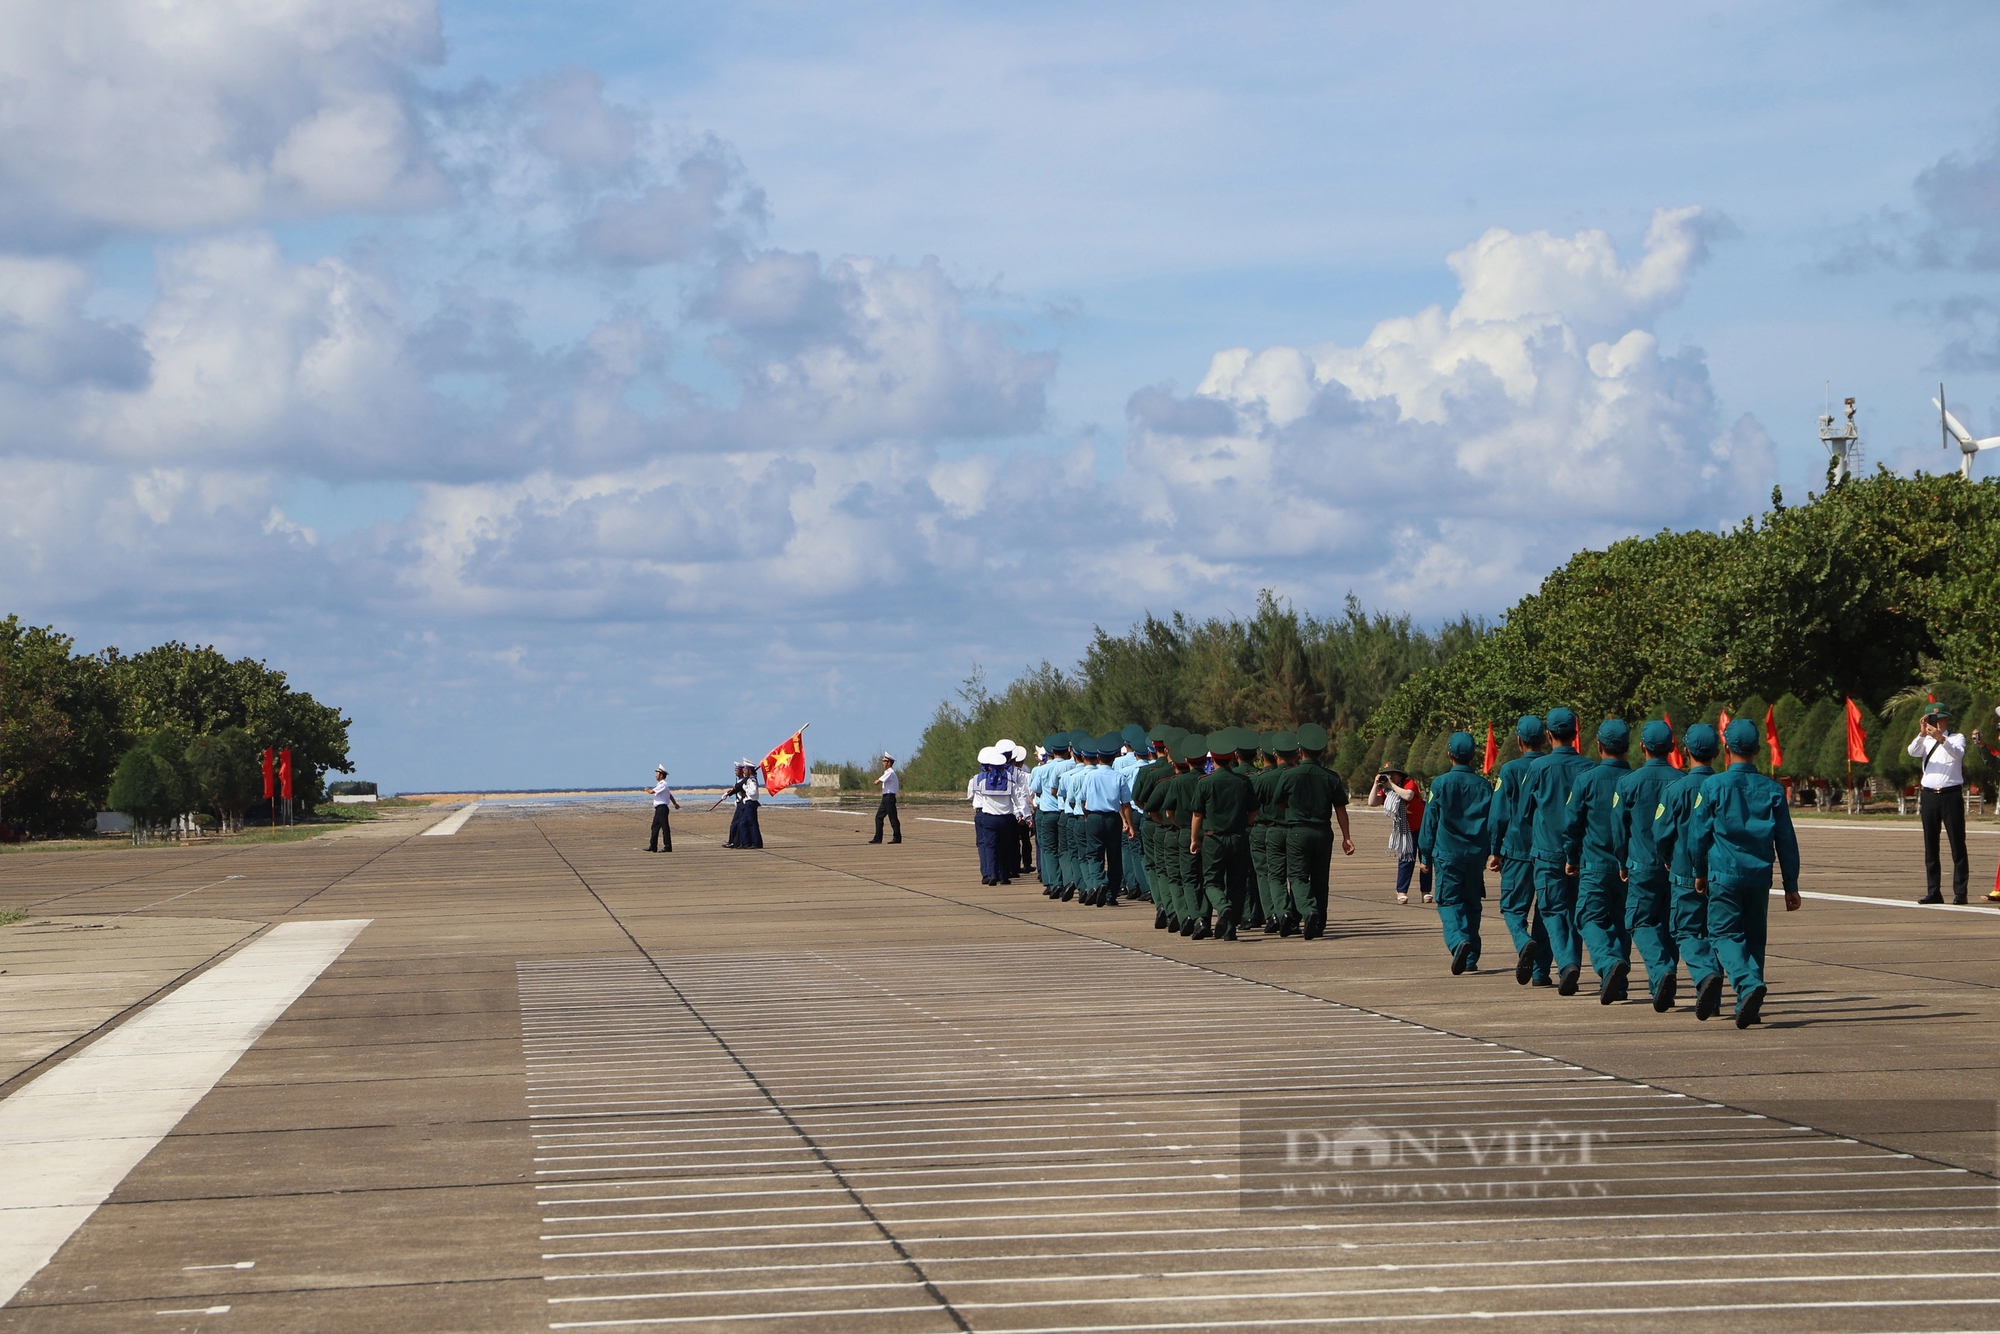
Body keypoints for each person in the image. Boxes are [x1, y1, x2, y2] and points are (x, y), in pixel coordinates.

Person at [1689, 717, 1803, 1028]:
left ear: (1726, 747)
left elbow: (1699, 834)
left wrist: (1699, 870)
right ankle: (1747, 1003)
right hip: (1758, 876)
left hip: (1724, 874)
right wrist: (1791, 884)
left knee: (1724, 934)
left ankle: (1747, 984)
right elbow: (1786, 840)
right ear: (1757, 750)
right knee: (1754, 939)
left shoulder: (1713, 785)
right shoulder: (1772, 789)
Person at [1512, 707, 1595, 995]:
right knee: (1574, 911)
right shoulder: (1589, 767)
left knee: (1552, 910)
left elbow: (1523, 812)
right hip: (1582, 854)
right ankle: (1549, 968)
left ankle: (1567, 963)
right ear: (1576, 733)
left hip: (1547, 852)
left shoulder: (1538, 768)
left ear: (1549, 735)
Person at [1561, 719, 1635, 1004]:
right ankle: (1619, 982)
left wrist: (1571, 856)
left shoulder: (1587, 780)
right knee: (1620, 922)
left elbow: (1572, 823)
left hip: (1594, 864)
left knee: (1588, 917)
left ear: (1599, 746)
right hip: (1628, 867)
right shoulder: (1635, 780)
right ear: (1629, 746)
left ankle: (1607, 964)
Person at [1611, 720, 1684, 1011]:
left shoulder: (1628, 782)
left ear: (1642, 747)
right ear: (1672, 748)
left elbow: (1618, 828)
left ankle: (1661, 970)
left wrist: (1621, 860)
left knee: (1639, 922)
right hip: (1676, 866)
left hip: (1641, 864)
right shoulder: (1682, 781)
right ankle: (1663, 981)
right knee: (1669, 925)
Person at [1653, 723, 1724, 1018]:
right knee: (1717, 933)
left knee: (1686, 932)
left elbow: (1661, 833)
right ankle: (1714, 1000)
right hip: (1720, 874)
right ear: (1718, 753)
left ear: (1685, 751)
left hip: (1684, 873)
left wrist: (1669, 859)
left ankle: (1704, 974)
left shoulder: (1675, 790)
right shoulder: (1723, 786)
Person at [1416, 732, 1491, 975]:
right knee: (1472, 904)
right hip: (1475, 855)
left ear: (1450, 755)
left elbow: (1430, 821)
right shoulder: (1484, 785)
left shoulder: (1440, 784)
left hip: (1447, 854)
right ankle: (1470, 958)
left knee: (1449, 903)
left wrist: (1425, 854)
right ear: (1474, 756)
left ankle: (1459, 942)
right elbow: (1491, 823)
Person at [1487, 716, 1553, 987]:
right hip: (1549, 849)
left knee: (1514, 910)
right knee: (1546, 912)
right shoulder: (1551, 767)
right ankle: (1540, 972)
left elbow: (1499, 815)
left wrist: (1494, 849)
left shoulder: (1510, 770)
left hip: (1516, 850)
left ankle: (1523, 941)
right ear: (1545, 739)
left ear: (1518, 741)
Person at [1274, 722, 1355, 941]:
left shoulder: (1289, 775)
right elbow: (1340, 810)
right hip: (1322, 832)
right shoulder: (1331, 777)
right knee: (1320, 879)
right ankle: (1318, 923)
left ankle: (1309, 910)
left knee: (1298, 877)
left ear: (1299, 751)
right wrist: (1347, 837)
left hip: (1298, 832)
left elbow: (1279, 803)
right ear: (1322, 752)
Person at [1190, 728, 1259, 940]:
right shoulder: (1243, 781)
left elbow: (1197, 815)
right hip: (1238, 837)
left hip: (1213, 838)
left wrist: (1194, 839)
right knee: (1237, 883)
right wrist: (1242, 823)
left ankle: (1222, 906)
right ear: (1232, 757)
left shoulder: (1205, 782)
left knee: (1211, 882)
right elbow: (1254, 810)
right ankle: (1230, 930)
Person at [1908, 703, 1976, 905]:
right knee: (1931, 845)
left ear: (1946, 720)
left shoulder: (1956, 738)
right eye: (1931, 720)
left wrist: (1941, 738)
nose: (1935, 724)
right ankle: (1933, 891)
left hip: (1950, 795)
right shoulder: (1925, 741)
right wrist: (1922, 734)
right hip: (1929, 796)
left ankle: (1960, 892)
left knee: (1957, 843)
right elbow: (1912, 751)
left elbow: (1958, 753)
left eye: (1939, 720)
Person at [1076, 732, 1137, 905]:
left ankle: (1099, 882)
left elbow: (1083, 800)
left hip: (1094, 817)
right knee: (1114, 856)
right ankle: (1111, 895)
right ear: (1114, 758)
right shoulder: (1119, 777)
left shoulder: (1090, 776)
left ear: (1098, 757)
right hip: (1113, 818)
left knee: (1094, 855)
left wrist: (1087, 816)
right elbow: (1126, 804)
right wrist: (1130, 825)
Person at [1370, 767, 1429, 904]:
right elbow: (1372, 802)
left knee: (1426, 859)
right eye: (1386, 775)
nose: (1389, 777)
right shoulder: (1386, 789)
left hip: (1422, 826)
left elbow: (1408, 795)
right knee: (1406, 860)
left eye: (1392, 774)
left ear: (1400, 775)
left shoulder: (1409, 783)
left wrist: (1391, 785)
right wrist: (1376, 784)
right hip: (1405, 830)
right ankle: (1402, 891)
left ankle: (1425, 891)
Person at [1031, 736, 1075, 897]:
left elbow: (1036, 789)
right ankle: (1068, 879)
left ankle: (1053, 882)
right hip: (1065, 811)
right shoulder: (1072, 765)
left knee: (1048, 849)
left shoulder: (1040, 769)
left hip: (1047, 812)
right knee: (1066, 849)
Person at [967, 745, 1018, 885]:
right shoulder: (1009, 779)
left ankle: (990, 873)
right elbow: (1016, 797)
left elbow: (970, 795)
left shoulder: (978, 779)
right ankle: (1003, 875)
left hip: (985, 814)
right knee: (1004, 846)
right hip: (1005, 817)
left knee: (987, 846)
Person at [711, 762, 763, 848]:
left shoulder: (751, 780)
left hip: (749, 803)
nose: (743, 770)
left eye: (745, 769)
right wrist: (728, 794)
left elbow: (753, 792)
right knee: (743, 824)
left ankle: (751, 843)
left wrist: (745, 788)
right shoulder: (746, 780)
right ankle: (742, 842)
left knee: (749, 824)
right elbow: (737, 788)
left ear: (749, 770)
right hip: (745, 802)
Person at [645, 765, 680, 852]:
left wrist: (647, 789)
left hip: (662, 808)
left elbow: (652, 792)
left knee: (665, 827)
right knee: (654, 827)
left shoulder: (663, 784)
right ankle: (653, 846)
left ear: (661, 775)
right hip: (659, 809)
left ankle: (667, 846)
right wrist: (675, 803)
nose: (655, 775)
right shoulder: (661, 785)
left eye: (657, 773)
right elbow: (669, 795)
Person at [869, 754, 901, 844]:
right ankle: (877, 838)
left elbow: (877, 782)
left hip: (889, 797)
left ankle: (897, 837)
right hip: (886, 798)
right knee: (879, 817)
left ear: (889, 763)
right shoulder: (887, 772)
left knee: (893, 818)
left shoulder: (889, 772)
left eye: (884, 761)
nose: (883, 763)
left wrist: (876, 781)